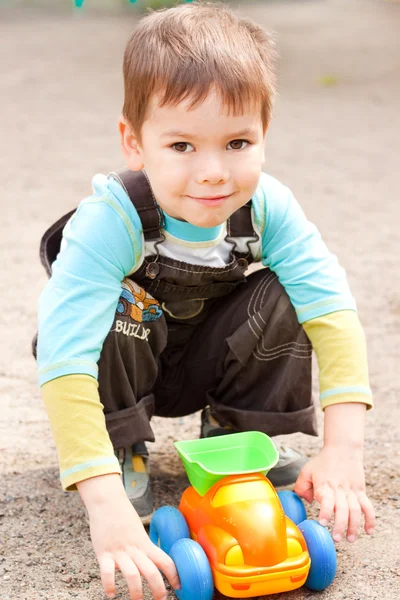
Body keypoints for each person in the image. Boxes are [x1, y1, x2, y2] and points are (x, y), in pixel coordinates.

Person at [35, 3, 375, 599]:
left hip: (209, 357)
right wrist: (104, 508)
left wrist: (344, 451)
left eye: (238, 141)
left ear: (265, 135)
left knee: (290, 292)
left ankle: (236, 436)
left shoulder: (269, 208)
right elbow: (64, 362)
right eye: (183, 145)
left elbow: (333, 313)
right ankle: (123, 448)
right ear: (134, 142)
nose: (214, 172)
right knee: (117, 303)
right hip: (126, 361)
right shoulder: (111, 219)